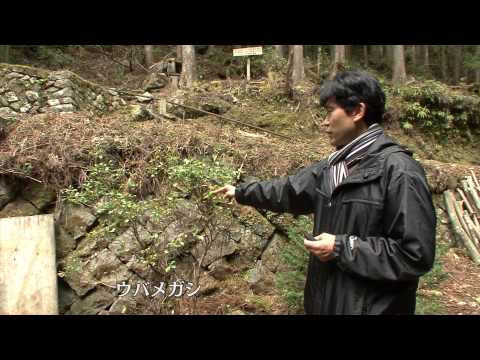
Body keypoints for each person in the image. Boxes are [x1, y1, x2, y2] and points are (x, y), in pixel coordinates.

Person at [213, 70, 436, 315]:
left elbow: (415, 255)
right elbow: (288, 191)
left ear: (357, 111)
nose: (324, 121)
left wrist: (343, 247)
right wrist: (241, 192)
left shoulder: (400, 171)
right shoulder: (334, 167)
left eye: (330, 111)